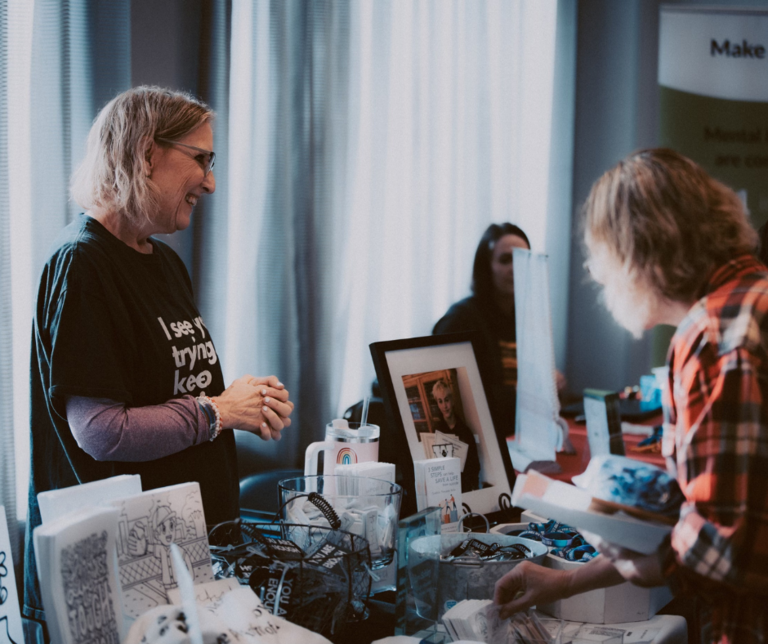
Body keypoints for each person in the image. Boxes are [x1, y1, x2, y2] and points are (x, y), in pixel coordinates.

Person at [23, 86, 294, 630]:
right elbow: (101, 431)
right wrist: (222, 411)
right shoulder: (83, 265)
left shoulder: (163, 262)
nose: (211, 182)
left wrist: (243, 399)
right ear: (147, 153)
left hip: (179, 561)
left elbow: (169, 391)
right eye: (202, 159)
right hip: (117, 576)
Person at [494, 149, 768, 643]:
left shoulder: (714, 334)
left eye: (602, 255)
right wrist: (563, 580)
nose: (598, 276)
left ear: (641, 247)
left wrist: (641, 559)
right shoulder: (749, 303)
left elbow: (724, 550)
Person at [433, 223, 532, 441]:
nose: (515, 268)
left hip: (519, 436)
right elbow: (452, 401)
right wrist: (523, 393)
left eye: (523, 260)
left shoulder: (529, 318)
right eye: (505, 260)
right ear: (486, 266)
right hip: (474, 442)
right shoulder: (460, 319)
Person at [431, 379, 481, 491]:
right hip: (444, 486)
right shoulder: (436, 431)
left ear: (452, 401)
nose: (445, 406)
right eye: (440, 401)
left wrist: (472, 486)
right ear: (437, 404)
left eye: (447, 400)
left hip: (464, 486)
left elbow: (475, 465)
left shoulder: (465, 431)